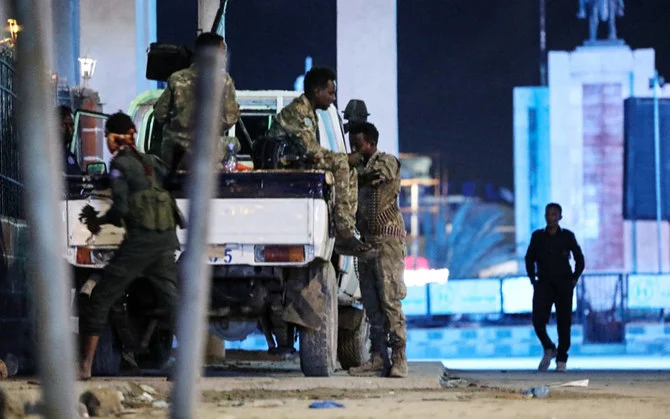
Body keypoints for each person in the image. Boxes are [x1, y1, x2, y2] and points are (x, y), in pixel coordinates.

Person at [77, 112, 180, 379]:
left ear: (116, 136)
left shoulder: (120, 165)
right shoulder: (150, 161)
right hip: (166, 238)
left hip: (140, 242)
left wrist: (98, 221)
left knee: (101, 297)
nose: (107, 143)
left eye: (108, 137)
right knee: (175, 300)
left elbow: (121, 207)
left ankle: (85, 366)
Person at [268, 66, 376, 259]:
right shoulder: (298, 112)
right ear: (317, 91)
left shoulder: (310, 112)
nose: (333, 98)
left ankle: (345, 228)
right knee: (343, 164)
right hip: (282, 169)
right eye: (330, 93)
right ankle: (344, 232)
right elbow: (312, 151)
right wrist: (344, 159)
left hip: (293, 166)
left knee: (347, 167)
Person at [346, 122, 408, 378]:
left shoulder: (386, 161)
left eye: (358, 145)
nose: (355, 150)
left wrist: (349, 168)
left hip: (388, 242)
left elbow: (377, 177)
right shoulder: (355, 168)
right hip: (367, 241)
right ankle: (378, 357)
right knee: (371, 305)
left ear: (370, 143)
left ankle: (399, 358)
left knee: (390, 301)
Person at [153, 32, 240, 174]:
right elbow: (230, 119)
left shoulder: (176, 78)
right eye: (222, 52)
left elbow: (159, 114)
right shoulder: (224, 80)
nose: (224, 58)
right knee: (234, 143)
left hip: (176, 154)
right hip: (207, 152)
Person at [525, 203, 585, 372]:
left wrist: (574, 279)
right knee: (538, 321)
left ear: (560, 217)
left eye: (554, 214)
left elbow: (580, 259)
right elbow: (529, 258)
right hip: (543, 284)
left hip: (563, 284)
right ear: (545, 216)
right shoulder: (537, 237)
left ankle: (562, 359)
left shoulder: (567, 236)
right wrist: (532, 279)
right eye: (548, 214)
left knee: (564, 323)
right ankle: (549, 347)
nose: (551, 217)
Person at [58, 105, 82, 175]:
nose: (73, 129)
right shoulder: (53, 154)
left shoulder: (67, 152)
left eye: (73, 125)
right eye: (70, 125)